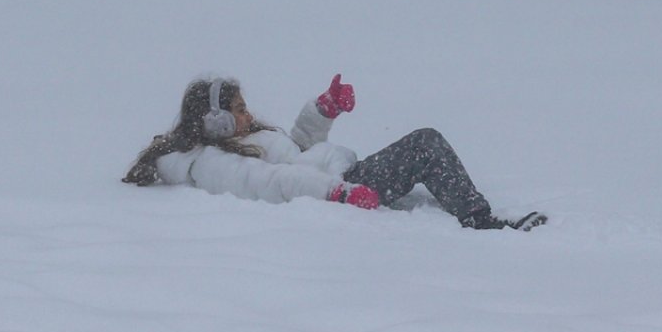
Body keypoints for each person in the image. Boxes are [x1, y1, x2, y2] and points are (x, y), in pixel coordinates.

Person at [123, 75, 547, 231]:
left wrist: (322, 111)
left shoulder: (243, 140)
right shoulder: (211, 164)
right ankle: (478, 219)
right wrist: (338, 193)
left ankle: (473, 212)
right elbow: (274, 182)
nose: (247, 114)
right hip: (343, 184)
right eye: (238, 109)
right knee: (426, 143)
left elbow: (297, 152)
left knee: (424, 144)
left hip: (343, 175)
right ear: (214, 120)